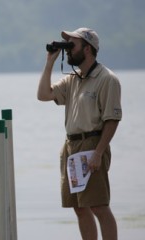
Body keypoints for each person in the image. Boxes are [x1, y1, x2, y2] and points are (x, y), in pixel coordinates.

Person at [37, 27, 122, 240]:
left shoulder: (107, 78)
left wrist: (98, 152)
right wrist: (50, 62)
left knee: (99, 206)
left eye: (71, 44)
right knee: (80, 208)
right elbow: (43, 95)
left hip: (92, 144)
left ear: (87, 49)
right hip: (71, 146)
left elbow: (112, 119)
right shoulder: (72, 79)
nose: (67, 49)